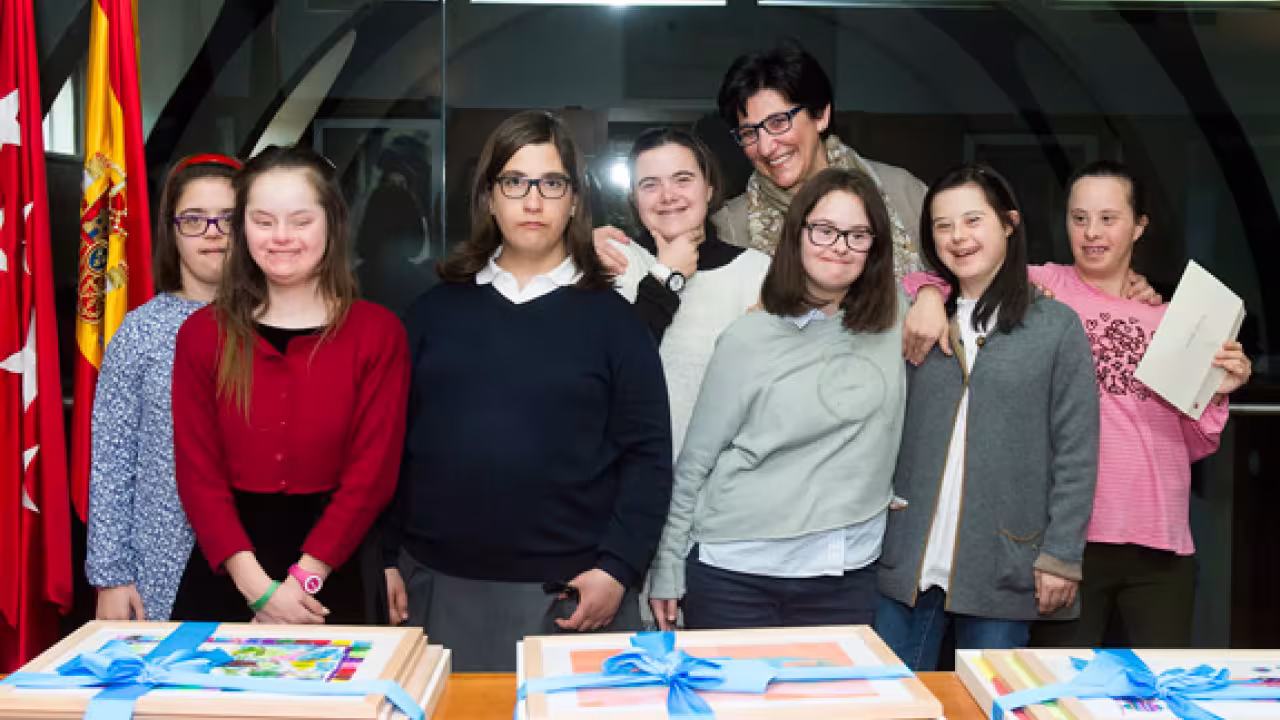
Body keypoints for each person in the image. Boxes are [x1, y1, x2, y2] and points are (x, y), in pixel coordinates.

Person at [903, 161, 1251, 648]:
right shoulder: (1039, 287)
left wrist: (1218, 388)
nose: (1091, 233)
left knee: (1158, 694)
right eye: (1078, 217)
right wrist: (925, 295)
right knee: (1058, 694)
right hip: (1065, 542)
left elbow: (1193, 445)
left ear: (1139, 226)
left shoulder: (1171, 319)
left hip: (1160, 539)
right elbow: (958, 268)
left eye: (1108, 219)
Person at [382, 111, 672, 671]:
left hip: (571, 596)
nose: (532, 202)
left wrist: (618, 568)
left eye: (551, 184)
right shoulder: (432, 314)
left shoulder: (616, 324)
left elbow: (649, 458)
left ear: (573, 202)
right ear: (489, 197)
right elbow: (392, 448)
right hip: (438, 588)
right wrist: (387, 557)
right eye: (514, 182)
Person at [648, 167, 905, 630]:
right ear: (797, 235)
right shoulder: (749, 336)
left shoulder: (894, 321)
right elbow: (696, 460)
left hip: (844, 575)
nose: (839, 246)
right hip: (736, 571)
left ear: (875, 248)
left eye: (857, 234)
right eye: (824, 230)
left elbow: (974, 285)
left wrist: (930, 293)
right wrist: (668, 564)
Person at [170, 144, 410, 624]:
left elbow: (372, 475)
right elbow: (199, 475)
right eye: (263, 221)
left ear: (332, 225)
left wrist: (301, 585)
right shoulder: (201, 335)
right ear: (242, 230)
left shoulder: (377, 334)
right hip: (231, 570)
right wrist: (258, 591)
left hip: (335, 572)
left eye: (300, 221)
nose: (281, 237)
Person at [874, 164, 1099, 671]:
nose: (957, 237)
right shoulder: (916, 318)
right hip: (907, 553)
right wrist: (927, 292)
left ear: (1009, 223)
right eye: (942, 224)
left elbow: (1077, 451)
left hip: (1005, 560)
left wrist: (1061, 555)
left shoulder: (1055, 327)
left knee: (991, 700)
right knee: (895, 701)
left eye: (973, 220)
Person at [597, 41, 926, 282]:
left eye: (779, 123)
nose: (767, 147)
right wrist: (592, 250)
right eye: (749, 133)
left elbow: (963, 274)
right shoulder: (730, 225)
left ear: (821, 114)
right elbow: (664, 239)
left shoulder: (901, 194)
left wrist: (928, 293)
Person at [86, 153, 241, 622]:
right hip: (164, 561)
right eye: (194, 219)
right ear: (172, 232)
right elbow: (112, 463)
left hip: (262, 560)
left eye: (228, 219)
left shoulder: (275, 324)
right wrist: (111, 576)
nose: (212, 232)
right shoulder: (141, 332)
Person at [608, 127, 771, 456]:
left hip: (726, 484)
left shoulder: (756, 271)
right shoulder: (613, 261)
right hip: (628, 478)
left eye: (683, 179)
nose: (668, 195)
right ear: (633, 197)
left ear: (709, 188)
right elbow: (614, 370)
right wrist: (666, 275)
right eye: (650, 184)